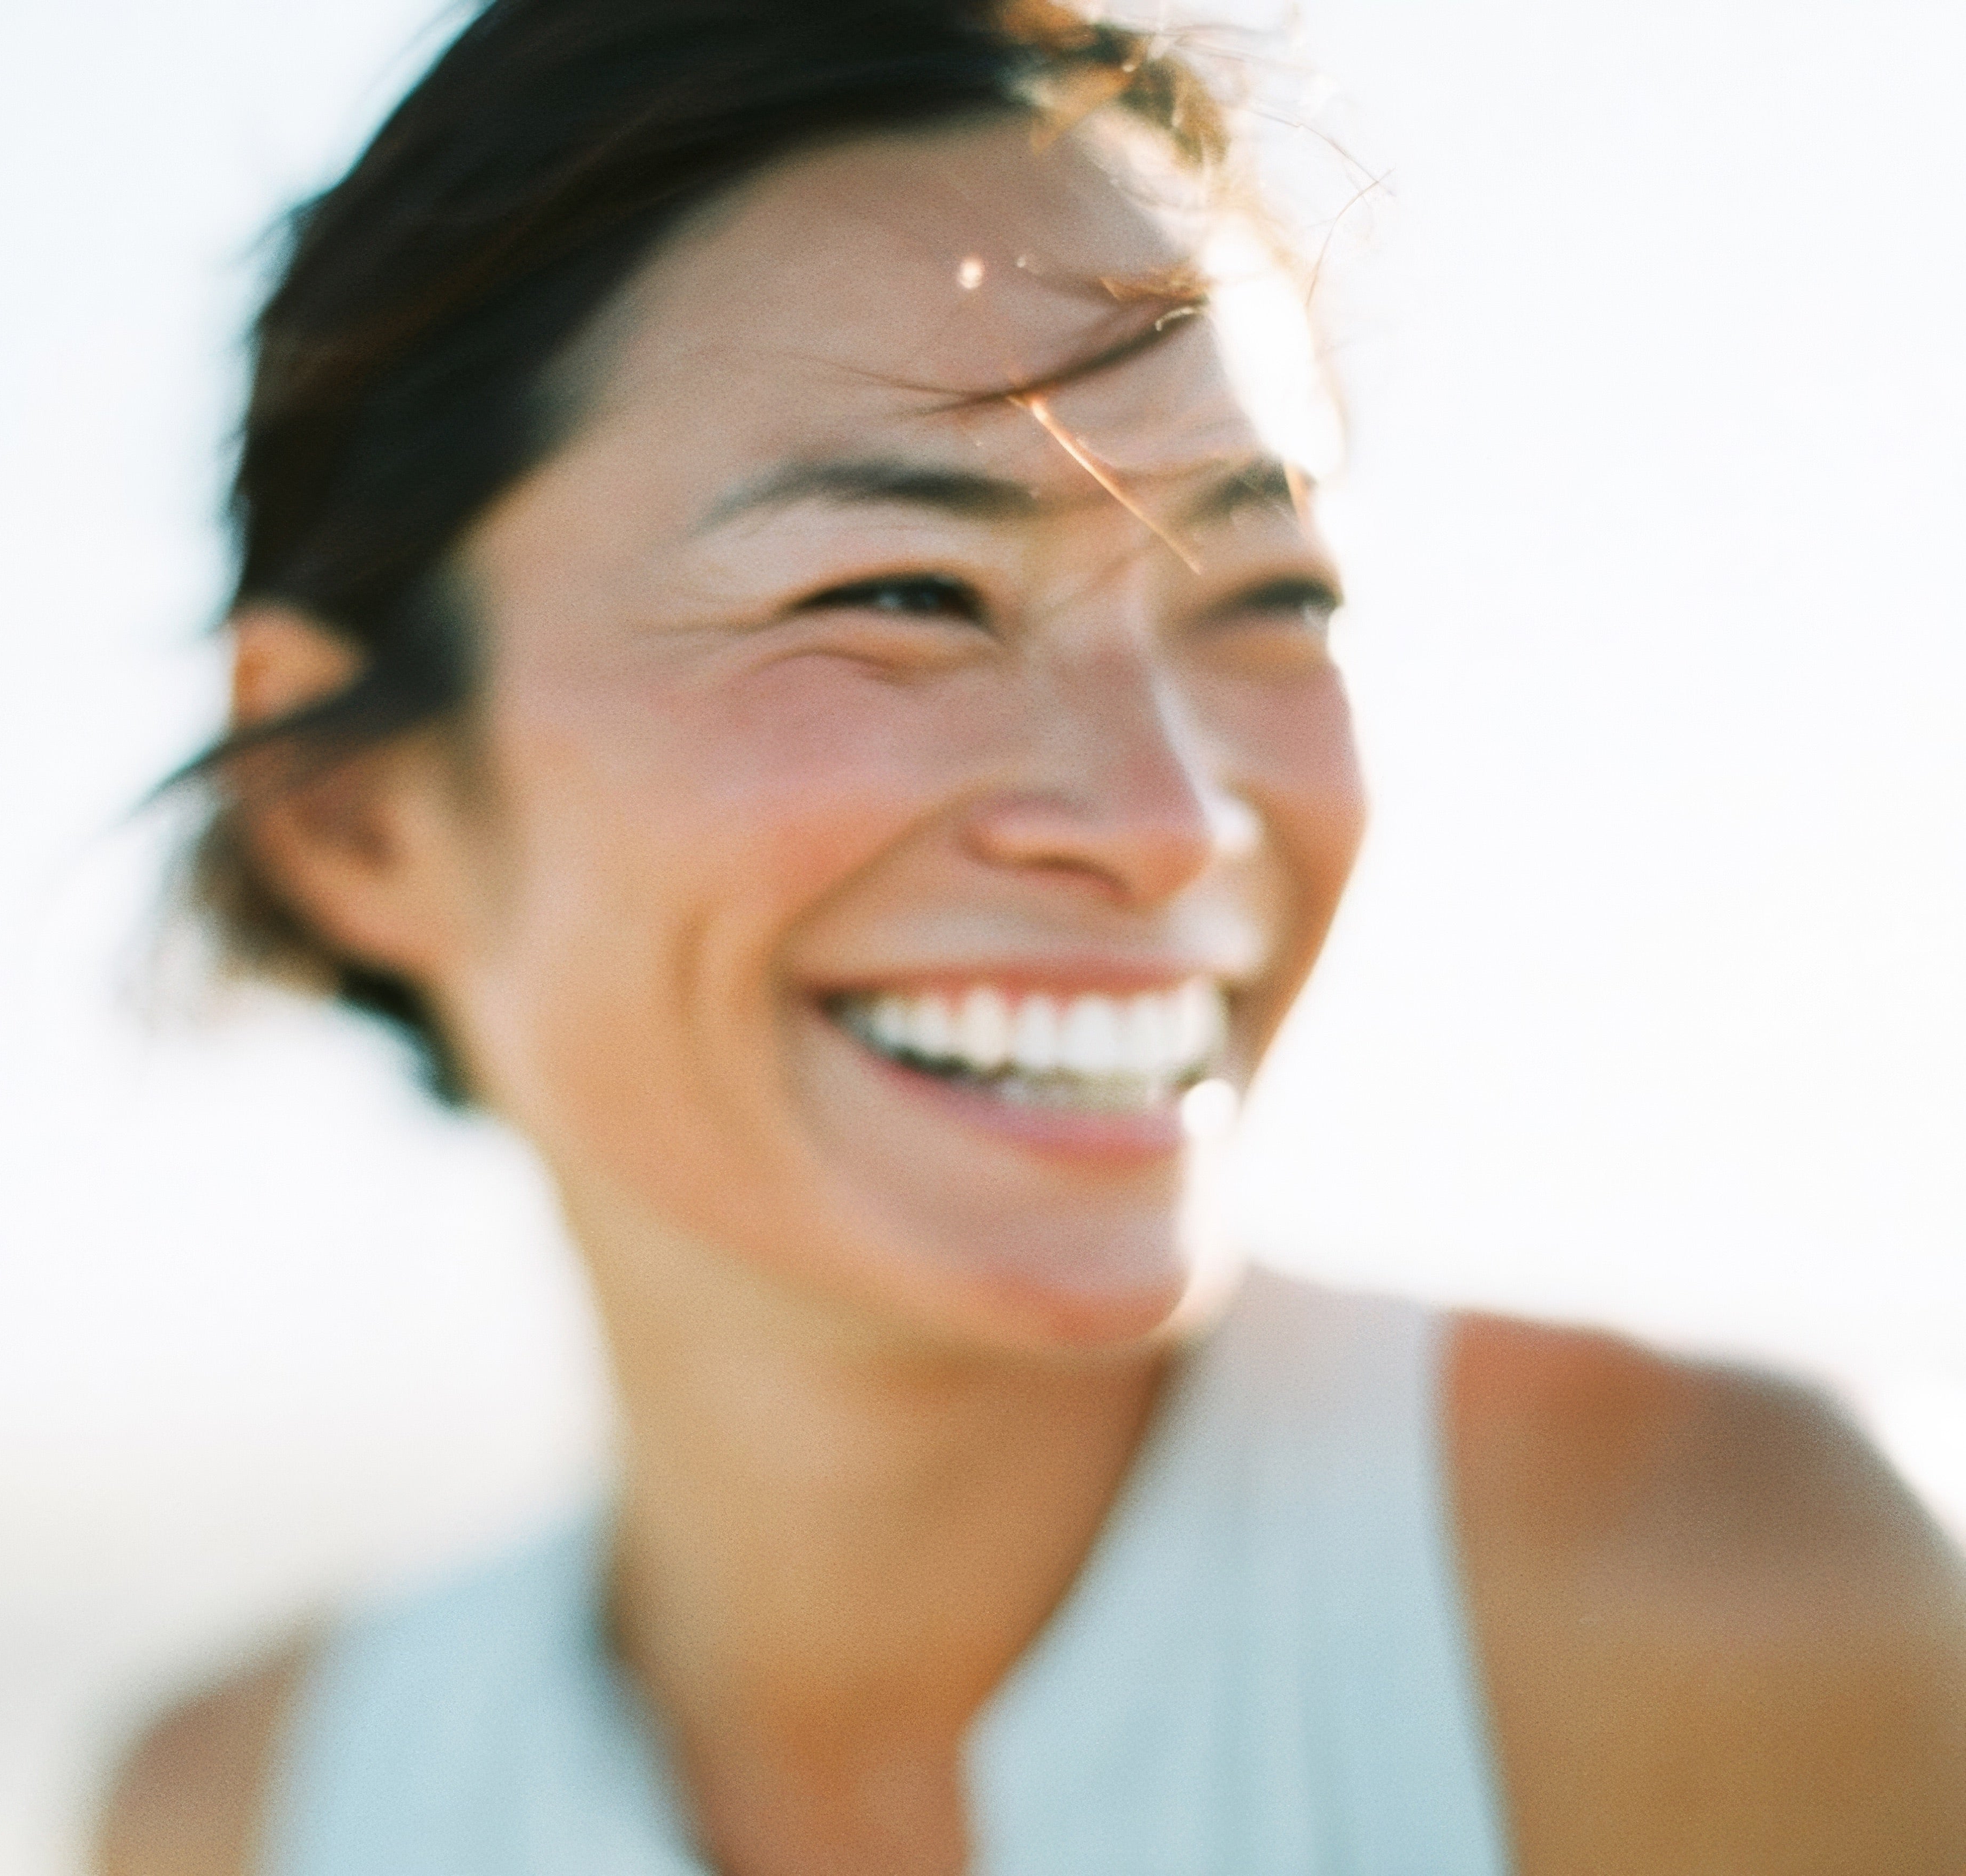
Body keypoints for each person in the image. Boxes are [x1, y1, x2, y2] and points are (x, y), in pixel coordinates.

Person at [99, 2, 1966, 1870]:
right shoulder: (251, 1817)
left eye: (1271, 592)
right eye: (902, 589)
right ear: (354, 815)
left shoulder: (1729, 1623)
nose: (1170, 821)